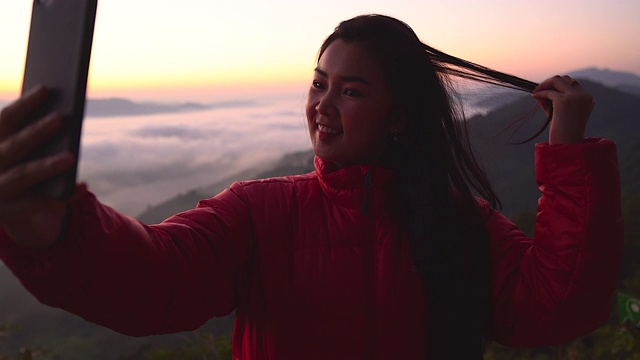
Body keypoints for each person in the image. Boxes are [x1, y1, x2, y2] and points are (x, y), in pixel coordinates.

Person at [0, 14, 623, 359]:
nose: (323, 104)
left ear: (400, 114)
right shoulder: (258, 212)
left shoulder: (461, 223)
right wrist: (59, 231)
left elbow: (559, 305)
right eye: (319, 83)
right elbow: (154, 279)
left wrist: (566, 149)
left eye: (351, 90)